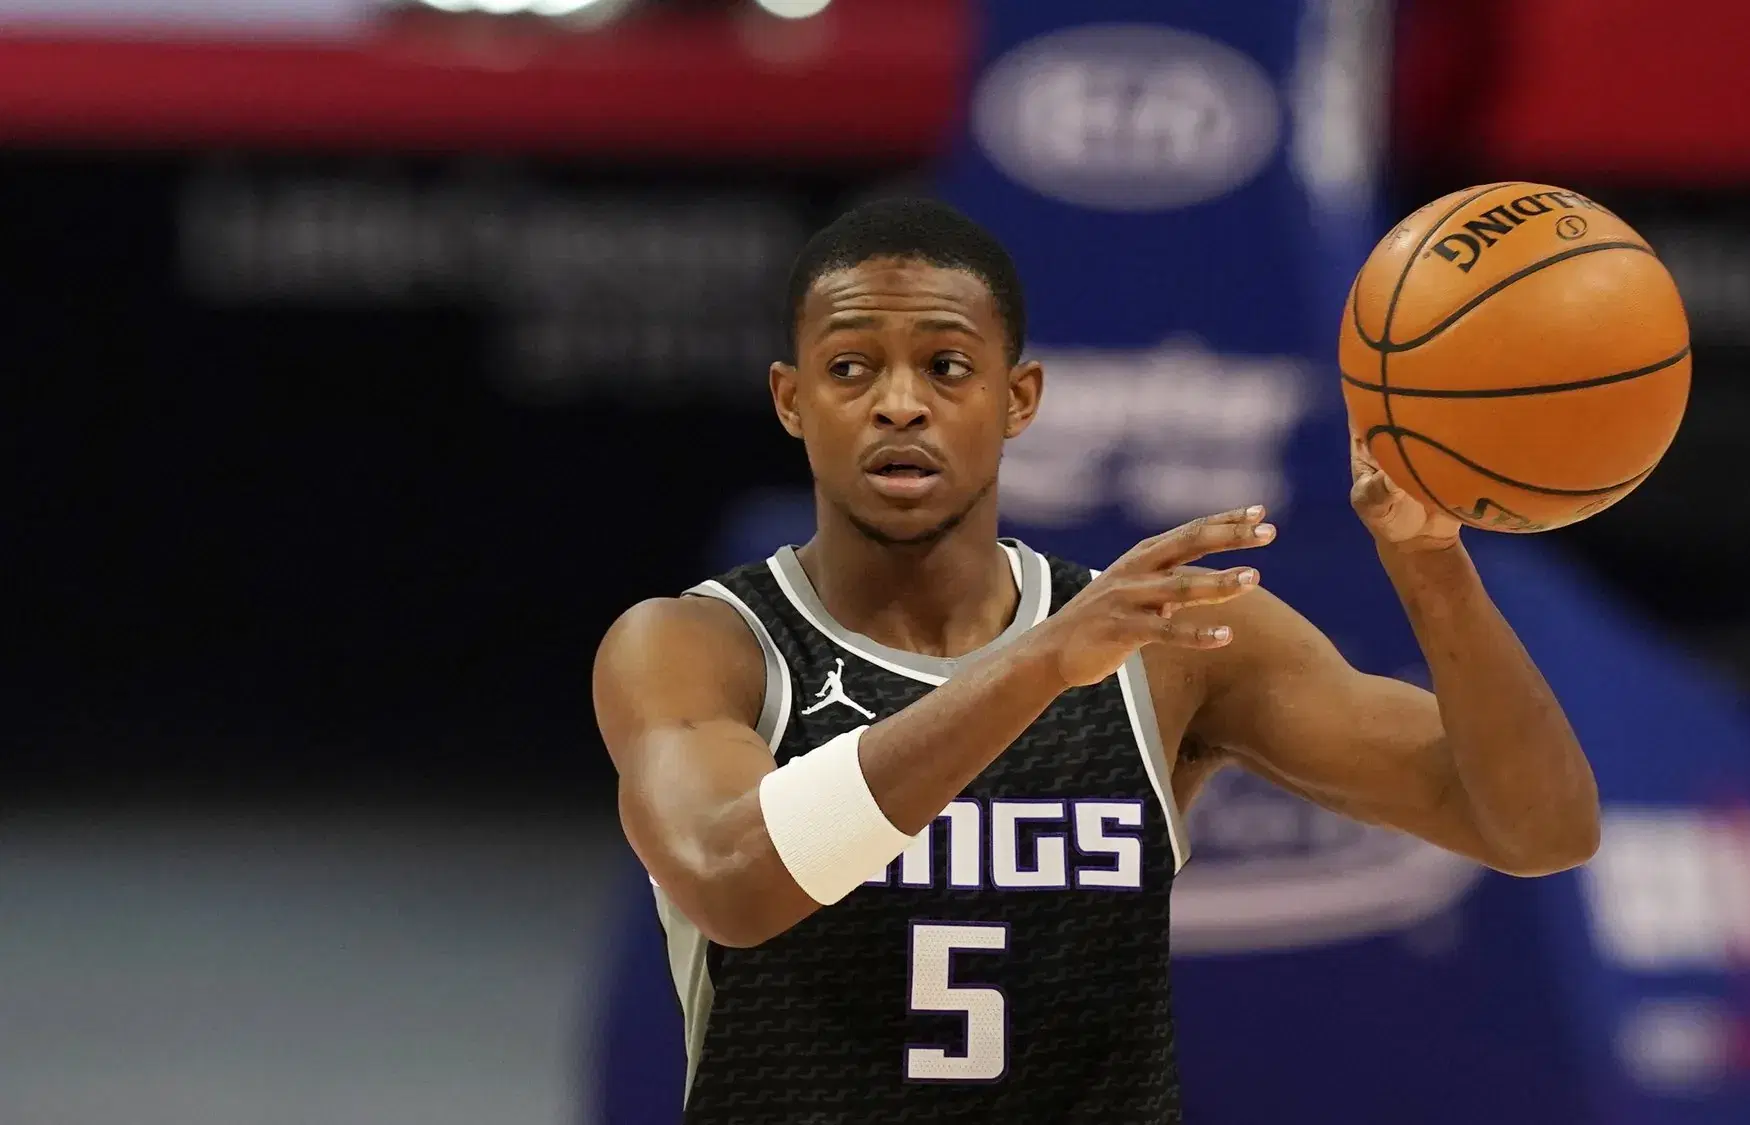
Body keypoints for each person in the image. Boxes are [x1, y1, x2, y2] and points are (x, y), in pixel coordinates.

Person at [591, 198, 1600, 1124]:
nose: (899, 404)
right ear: (790, 399)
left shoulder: (1167, 649)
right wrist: (1036, 666)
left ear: (1018, 397)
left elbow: (1538, 828)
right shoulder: (697, 645)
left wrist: (1429, 562)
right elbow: (733, 880)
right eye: (850, 368)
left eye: (947, 366)